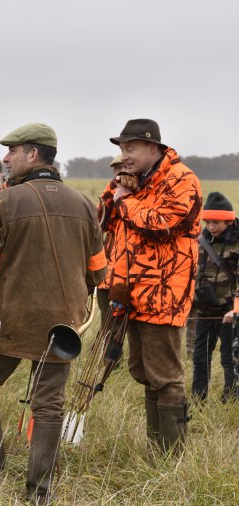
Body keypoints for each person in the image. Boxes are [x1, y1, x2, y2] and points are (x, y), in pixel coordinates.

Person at [0, 123, 106, 504]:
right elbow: (98, 272)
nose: (5, 158)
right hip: (64, 326)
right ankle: (39, 491)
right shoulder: (84, 204)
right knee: (49, 404)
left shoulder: (6, 201)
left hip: (7, 319)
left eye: (12, 151)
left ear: (32, 154)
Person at [100, 118, 202, 453]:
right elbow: (104, 223)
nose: (124, 155)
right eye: (122, 149)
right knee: (144, 371)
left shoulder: (181, 180)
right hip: (129, 293)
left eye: (130, 148)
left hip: (163, 295)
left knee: (165, 376)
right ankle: (157, 449)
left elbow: (161, 226)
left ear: (153, 147)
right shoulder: (133, 181)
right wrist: (113, 193)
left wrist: (125, 200)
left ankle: (171, 457)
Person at [190, 192, 238, 402]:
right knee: (200, 358)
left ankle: (231, 401)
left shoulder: (237, 243)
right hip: (204, 311)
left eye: (216, 222)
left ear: (229, 221)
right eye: (208, 222)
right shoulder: (201, 240)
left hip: (229, 313)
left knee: (229, 359)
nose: (211, 227)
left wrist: (236, 309)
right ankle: (198, 401)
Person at [96, 154, 126, 313]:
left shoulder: (144, 193)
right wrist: (113, 192)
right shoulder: (110, 192)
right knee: (107, 319)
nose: (119, 173)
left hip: (127, 274)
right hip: (107, 272)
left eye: (124, 168)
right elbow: (100, 223)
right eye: (117, 169)